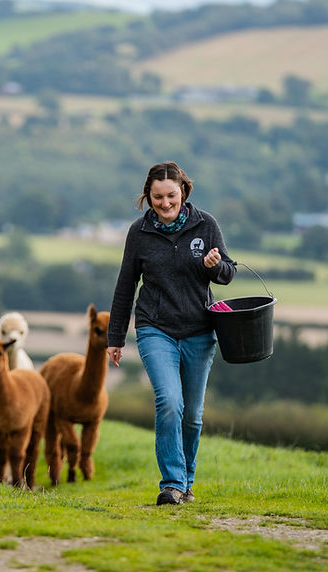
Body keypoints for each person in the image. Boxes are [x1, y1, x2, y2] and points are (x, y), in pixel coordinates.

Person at [106, 160, 235, 506]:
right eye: (158, 197)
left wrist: (215, 266)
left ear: (183, 192)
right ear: (148, 197)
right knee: (169, 402)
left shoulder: (205, 225)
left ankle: (187, 481)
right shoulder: (140, 232)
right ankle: (173, 484)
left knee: (192, 414)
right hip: (154, 328)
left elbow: (228, 273)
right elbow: (125, 285)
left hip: (198, 330)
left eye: (171, 196)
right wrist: (115, 338)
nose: (165, 204)